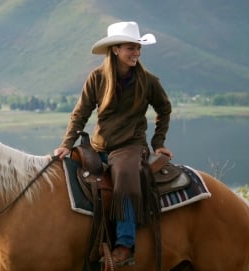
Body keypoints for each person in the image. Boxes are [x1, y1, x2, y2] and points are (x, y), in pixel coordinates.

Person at [53, 21, 173, 266]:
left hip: (131, 147)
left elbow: (164, 108)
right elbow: (80, 114)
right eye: (131, 48)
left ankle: (125, 245)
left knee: (124, 178)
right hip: (99, 146)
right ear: (115, 50)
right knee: (69, 174)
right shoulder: (96, 78)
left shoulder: (148, 81)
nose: (136, 53)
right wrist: (67, 143)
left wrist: (158, 142)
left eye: (138, 48)